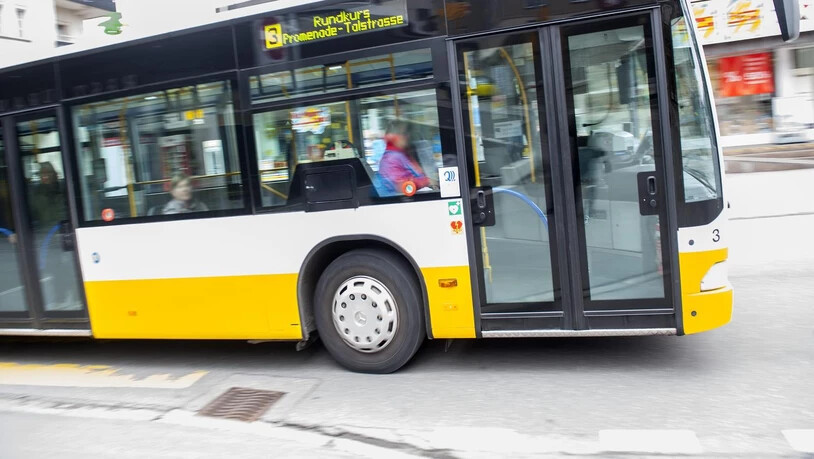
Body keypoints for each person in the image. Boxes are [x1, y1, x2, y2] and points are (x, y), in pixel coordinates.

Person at [375, 121, 434, 196]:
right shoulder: (391, 158)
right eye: (404, 134)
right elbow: (400, 186)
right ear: (394, 136)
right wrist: (426, 182)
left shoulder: (402, 154)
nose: (407, 137)